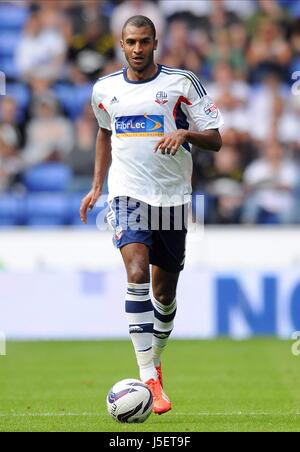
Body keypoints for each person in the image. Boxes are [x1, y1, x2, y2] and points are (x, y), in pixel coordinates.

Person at [80, 15, 223, 415]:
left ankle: (155, 358)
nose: (138, 48)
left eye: (144, 41)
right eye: (131, 41)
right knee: (137, 272)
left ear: (155, 42)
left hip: (173, 199)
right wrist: (96, 186)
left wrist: (185, 134)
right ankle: (148, 376)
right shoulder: (104, 90)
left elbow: (216, 138)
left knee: (165, 294)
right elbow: (104, 132)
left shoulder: (182, 82)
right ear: (121, 45)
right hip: (126, 195)